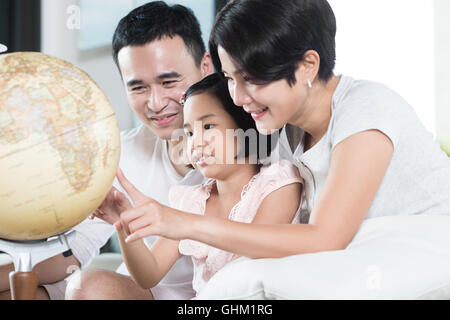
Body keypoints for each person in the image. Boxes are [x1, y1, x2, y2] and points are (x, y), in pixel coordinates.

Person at [191, 0, 450, 298]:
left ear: (307, 66)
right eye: (229, 79)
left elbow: (324, 239)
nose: (237, 97)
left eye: (249, 78)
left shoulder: (367, 107)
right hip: (366, 262)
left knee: (246, 279)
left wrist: (191, 226)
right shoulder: (285, 131)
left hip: (429, 251)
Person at [0, 1, 213, 300]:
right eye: (138, 87)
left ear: (206, 66)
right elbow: (72, 253)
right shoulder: (118, 152)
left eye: (169, 81)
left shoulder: (245, 147)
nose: (155, 102)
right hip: (138, 291)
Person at [92, 73, 303, 298]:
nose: (196, 142)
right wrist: (123, 225)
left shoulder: (277, 182)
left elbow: (252, 259)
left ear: (244, 125)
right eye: (190, 132)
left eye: (209, 126)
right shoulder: (191, 202)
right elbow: (148, 274)